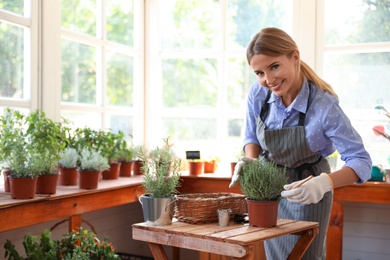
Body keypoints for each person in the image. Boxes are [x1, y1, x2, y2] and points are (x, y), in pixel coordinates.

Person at [229, 27, 372, 259]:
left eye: (274, 66)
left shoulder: (324, 106)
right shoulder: (259, 93)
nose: (268, 80)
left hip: (308, 191)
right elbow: (251, 137)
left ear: (294, 56)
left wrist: (324, 183)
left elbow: (361, 161)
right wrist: (251, 161)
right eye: (259, 72)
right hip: (268, 189)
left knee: (305, 255)